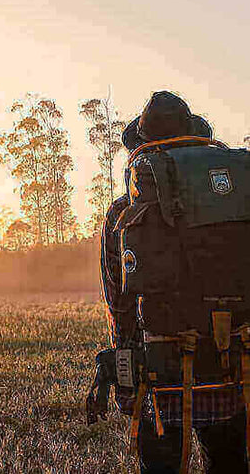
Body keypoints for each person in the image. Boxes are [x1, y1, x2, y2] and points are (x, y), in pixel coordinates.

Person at [101, 91, 248, 473]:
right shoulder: (236, 206)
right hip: (233, 368)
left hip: (159, 374)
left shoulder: (123, 213)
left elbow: (119, 307)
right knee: (230, 462)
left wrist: (126, 383)